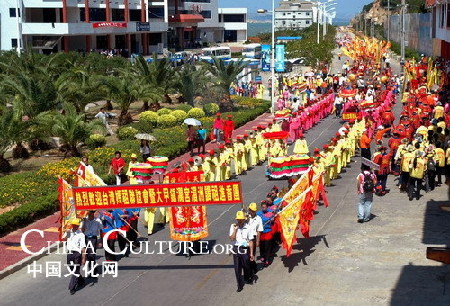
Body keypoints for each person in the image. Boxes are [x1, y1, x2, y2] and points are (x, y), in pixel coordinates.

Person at [229, 211, 255, 292]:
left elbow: (250, 241)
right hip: (236, 249)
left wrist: (251, 254)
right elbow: (232, 238)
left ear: (244, 220)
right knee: (237, 268)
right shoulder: (233, 226)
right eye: (238, 219)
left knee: (246, 265)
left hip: (245, 249)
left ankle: (247, 277)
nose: (239, 221)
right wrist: (235, 230)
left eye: (241, 219)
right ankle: (239, 285)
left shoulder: (248, 227)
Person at [64, 219, 86, 295]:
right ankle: (81, 280)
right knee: (71, 269)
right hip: (69, 253)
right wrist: (66, 233)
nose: (75, 226)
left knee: (75, 270)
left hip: (77, 254)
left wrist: (83, 258)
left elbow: (83, 247)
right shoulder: (69, 232)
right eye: (74, 225)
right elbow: (63, 239)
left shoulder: (81, 235)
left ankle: (72, 287)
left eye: (76, 225)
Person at [81, 211, 103, 278]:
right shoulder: (85, 220)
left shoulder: (98, 220)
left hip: (93, 238)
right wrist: (83, 222)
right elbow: (82, 230)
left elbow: (101, 230)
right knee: (87, 255)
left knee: (91, 255)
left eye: (91, 213)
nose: (90, 214)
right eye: (89, 213)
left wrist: (100, 240)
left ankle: (92, 271)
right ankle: (93, 268)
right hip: (86, 238)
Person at [247, 202, 263, 277]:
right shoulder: (246, 217)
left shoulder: (258, 219)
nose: (252, 212)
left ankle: (251, 271)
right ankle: (253, 266)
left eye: (254, 211)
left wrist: (257, 241)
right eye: (251, 210)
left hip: (253, 238)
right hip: (245, 239)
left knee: (251, 255)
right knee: (246, 256)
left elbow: (259, 231)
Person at [257, 202, 275, 267]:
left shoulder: (270, 214)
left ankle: (267, 259)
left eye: (265, 207)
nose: (263, 208)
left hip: (268, 232)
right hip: (261, 232)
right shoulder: (258, 214)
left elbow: (272, 223)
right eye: (262, 207)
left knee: (267, 246)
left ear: (267, 207)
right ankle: (262, 256)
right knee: (261, 246)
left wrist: (272, 220)